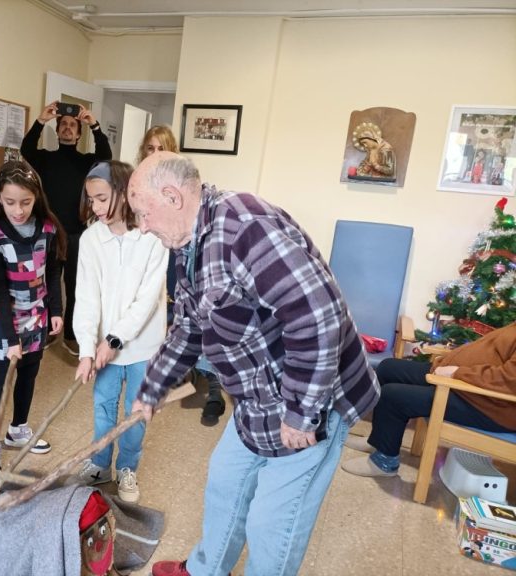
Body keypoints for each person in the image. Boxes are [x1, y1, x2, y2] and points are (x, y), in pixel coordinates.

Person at [127, 152, 380, 576]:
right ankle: (206, 570)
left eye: (142, 212)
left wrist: (301, 413)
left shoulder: (245, 227)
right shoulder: (189, 245)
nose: (142, 225)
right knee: (226, 482)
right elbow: (188, 327)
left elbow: (317, 317)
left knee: (272, 524)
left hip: (310, 400)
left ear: (171, 196)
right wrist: (152, 389)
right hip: (258, 397)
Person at [71, 161, 168, 503]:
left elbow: (146, 300)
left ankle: (128, 468)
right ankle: (100, 464)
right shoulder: (91, 240)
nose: (94, 207)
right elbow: (86, 298)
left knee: (136, 413)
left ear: (125, 194)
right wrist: (86, 348)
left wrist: (114, 339)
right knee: (103, 408)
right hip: (103, 348)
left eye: (101, 198)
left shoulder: (152, 237)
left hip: (142, 346)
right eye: (91, 199)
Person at [0, 160, 67, 468]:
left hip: (38, 316)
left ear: (36, 197)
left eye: (26, 202)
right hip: (7, 320)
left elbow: (53, 271)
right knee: (0, 381)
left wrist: (56, 309)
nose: (19, 210)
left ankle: (18, 430)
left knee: (29, 373)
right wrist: (11, 337)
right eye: (10, 202)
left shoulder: (49, 229)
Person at [341, 323, 516, 477]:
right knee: (388, 368)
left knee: (394, 396)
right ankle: (378, 440)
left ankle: (384, 462)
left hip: (490, 405)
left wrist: (456, 373)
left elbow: (509, 380)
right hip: (469, 386)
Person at [138, 125, 226, 426]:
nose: (155, 154)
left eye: (161, 148)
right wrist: (151, 390)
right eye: (150, 148)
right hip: (156, 261)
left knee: (200, 318)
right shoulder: (147, 205)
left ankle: (213, 386)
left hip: (176, 259)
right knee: (182, 323)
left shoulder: (225, 228)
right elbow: (188, 328)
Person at [20, 101, 112, 356]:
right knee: (47, 286)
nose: (68, 128)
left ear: (78, 133)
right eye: (64, 125)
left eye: (72, 125)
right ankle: (50, 331)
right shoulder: (46, 159)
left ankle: (71, 335)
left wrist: (93, 125)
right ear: (58, 130)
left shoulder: (86, 163)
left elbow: (106, 156)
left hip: (76, 234)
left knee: (74, 287)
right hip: (48, 234)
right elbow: (26, 149)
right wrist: (41, 120)